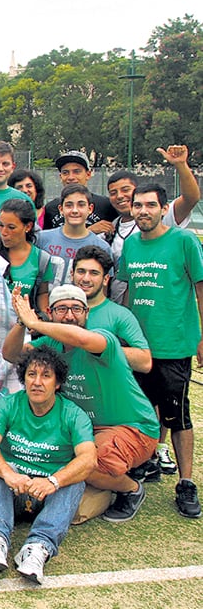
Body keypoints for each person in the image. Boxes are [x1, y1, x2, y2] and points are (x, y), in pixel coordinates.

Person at [3, 285, 160, 523]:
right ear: (50, 312)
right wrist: (22, 322)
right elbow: (11, 354)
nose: (69, 315)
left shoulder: (101, 339)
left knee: (88, 464)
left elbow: (80, 338)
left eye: (77, 309)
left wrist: (36, 323)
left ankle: (131, 488)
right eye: (62, 309)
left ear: (87, 313)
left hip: (133, 428)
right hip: (85, 430)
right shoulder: (49, 344)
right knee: (47, 457)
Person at [117, 183, 203, 519]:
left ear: (163, 207)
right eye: (137, 206)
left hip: (173, 345)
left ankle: (185, 482)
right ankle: (147, 462)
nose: (143, 211)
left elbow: (199, 289)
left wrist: (201, 338)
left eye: (150, 205)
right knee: (142, 411)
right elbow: (127, 294)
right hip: (139, 347)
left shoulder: (183, 241)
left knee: (177, 415)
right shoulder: (131, 245)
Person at [0, 345, 96, 584]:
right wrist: (9, 474)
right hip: (16, 489)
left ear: (58, 383)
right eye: (31, 375)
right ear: (23, 379)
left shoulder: (73, 414)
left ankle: (37, 548)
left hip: (50, 494)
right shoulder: (7, 405)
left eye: (46, 376)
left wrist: (54, 481)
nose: (37, 382)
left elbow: (88, 458)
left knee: (75, 481)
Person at [105, 145, 200, 304]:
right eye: (113, 193)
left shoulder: (160, 218)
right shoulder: (113, 229)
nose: (119, 196)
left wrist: (181, 165)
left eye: (125, 190)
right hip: (126, 313)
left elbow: (191, 198)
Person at [70, 246, 151, 375]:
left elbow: (144, 362)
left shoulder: (120, 315)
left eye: (94, 273)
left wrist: (100, 347)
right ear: (71, 274)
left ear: (106, 279)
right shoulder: (59, 311)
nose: (86, 279)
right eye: (81, 271)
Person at [34, 185, 113, 286]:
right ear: (61, 209)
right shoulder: (41, 239)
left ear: (90, 208)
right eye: (69, 205)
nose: (75, 210)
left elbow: (103, 290)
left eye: (81, 205)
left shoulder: (102, 247)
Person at [0, 198, 56, 318]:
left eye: (11, 227)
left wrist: (41, 319)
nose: (4, 232)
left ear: (28, 227)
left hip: (22, 328)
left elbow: (42, 294)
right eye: (1, 225)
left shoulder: (41, 259)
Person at [41, 151, 116, 233]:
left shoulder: (106, 205)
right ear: (60, 176)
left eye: (76, 172)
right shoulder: (51, 208)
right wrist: (89, 231)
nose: (71, 177)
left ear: (88, 174)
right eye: (65, 172)